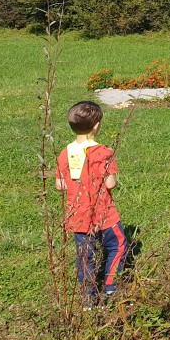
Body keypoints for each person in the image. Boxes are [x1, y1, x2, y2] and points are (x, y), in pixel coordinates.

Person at [55, 101, 127, 308]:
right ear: (96, 125)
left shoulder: (64, 153)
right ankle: (111, 286)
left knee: (85, 255)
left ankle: (88, 297)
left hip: (78, 216)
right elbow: (110, 183)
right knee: (118, 244)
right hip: (104, 214)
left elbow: (60, 185)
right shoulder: (103, 152)